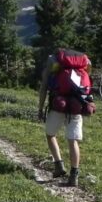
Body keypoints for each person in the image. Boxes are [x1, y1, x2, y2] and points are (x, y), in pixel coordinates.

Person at [37, 49, 92, 187]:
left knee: (50, 135)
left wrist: (40, 108)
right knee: (73, 141)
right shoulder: (83, 63)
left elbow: (44, 87)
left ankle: (59, 165)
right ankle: (74, 175)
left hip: (58, 104)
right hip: (77, 105)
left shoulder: (53, 60)